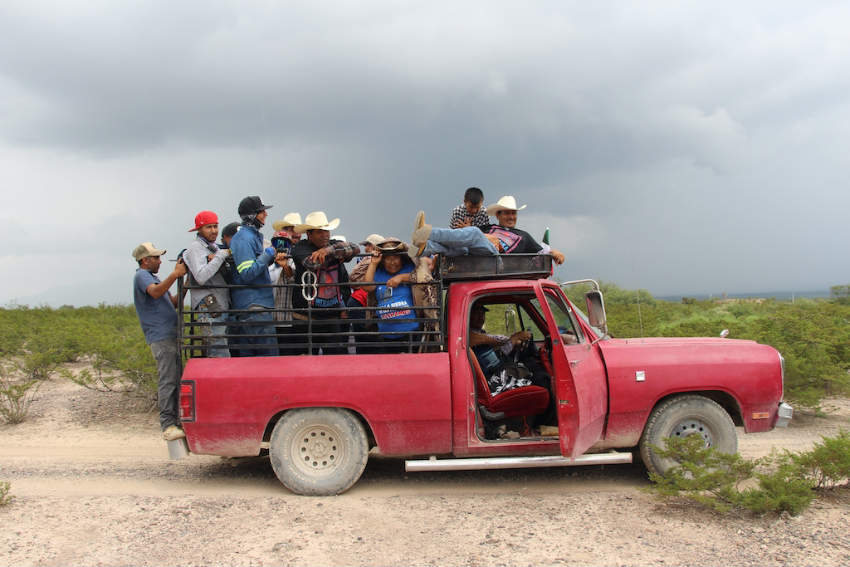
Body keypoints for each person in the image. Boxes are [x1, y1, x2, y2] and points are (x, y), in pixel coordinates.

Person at [131, 242, 188, 441]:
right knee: (168, 379)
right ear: (145, 260)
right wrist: (175, 275)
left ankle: (176, 421)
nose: (160, 261)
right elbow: (156, 292)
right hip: (161, 335)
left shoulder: (152, 278)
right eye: (156, 258)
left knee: (176, 377)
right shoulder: (142, 276)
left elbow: (172, 303)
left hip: (169, 334)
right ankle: (168, 424)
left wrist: (186, 281)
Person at [411, 195, 566, 264]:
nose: (511, 216)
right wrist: (485, 235)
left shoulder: (523, 236)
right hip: (474, 256)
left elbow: (542, 253)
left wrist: (555, 252)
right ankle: (422, 247)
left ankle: (428, 232)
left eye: (513, 213)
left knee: (475, 233)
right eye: (507, 213)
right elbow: (467, 236)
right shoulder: (489, 227)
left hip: (496, 259)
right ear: (498, 215)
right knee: (459, 247)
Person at [292, 211, 360, 354]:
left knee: (336, 360)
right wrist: (337, 254)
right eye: (319, 232)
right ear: (309, 235)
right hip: (305, 317)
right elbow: (312, 264)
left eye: (326, 231)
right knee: (305, 362)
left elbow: (355, 248)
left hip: (331, 316)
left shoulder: (332, 245)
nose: (325, 235)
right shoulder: (300, 248)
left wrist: (328, 250)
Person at [230, 196, 287, 356]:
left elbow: (253, 269)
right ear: (251, 215)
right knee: (268, 363)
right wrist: (268, 254)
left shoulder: (249, 237)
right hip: (254, 309)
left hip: (256, 308)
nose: (265, 215)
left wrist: (269, 260)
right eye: (261, 211)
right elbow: (247, 273)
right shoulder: (243, 239)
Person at [183, 211, 231, 358]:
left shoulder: (213, 247)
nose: (214, 231)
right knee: (219, 351)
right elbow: (201, 277)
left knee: (219, 349)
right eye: (209, 227)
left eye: (215, 226)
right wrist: (221, 256)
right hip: (210, 305)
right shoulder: (195, 248)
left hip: (217, 305)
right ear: (199, 229)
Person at [362, 238, 419, 353]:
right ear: (383, 260)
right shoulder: (378, 273)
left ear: (401, 258)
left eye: (396, 257)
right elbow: (367, 287)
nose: (392, 262)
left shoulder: (409, 268)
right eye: (388, 258)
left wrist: (401, 277)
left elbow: (422, 276)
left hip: (410, 333)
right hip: (386, 334)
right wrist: (373, 263)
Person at [269, 213, 302, 354]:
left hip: (291, 317)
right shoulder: (267, 261)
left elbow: (294, 279)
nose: (295, 233)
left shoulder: (299, 257)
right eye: (278, 242)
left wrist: (286, 266)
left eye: (297, 230)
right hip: (272, 317)